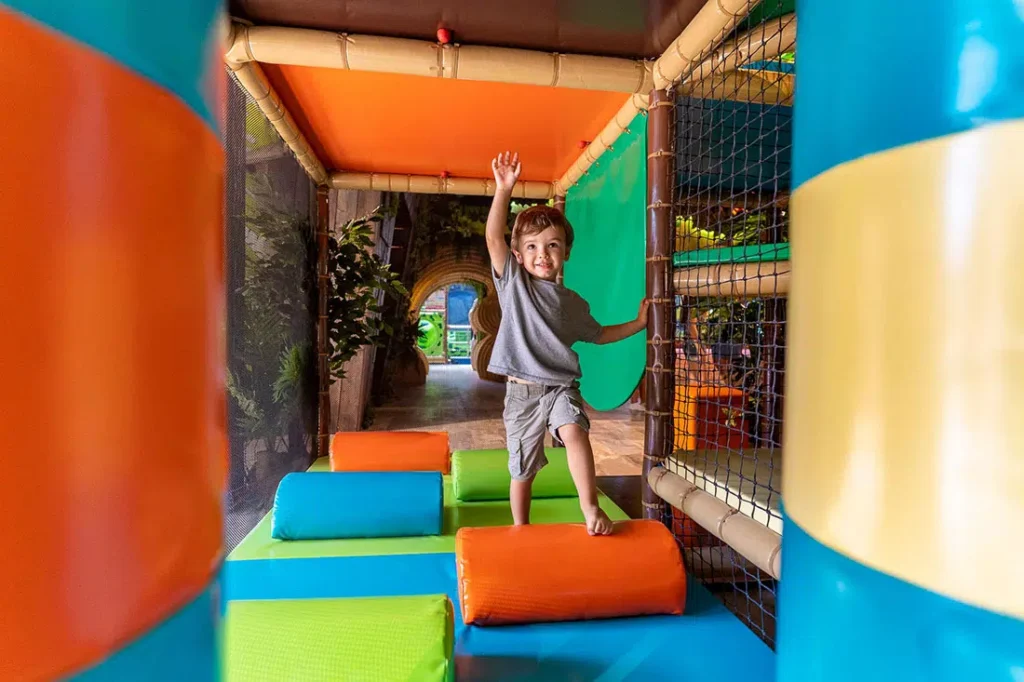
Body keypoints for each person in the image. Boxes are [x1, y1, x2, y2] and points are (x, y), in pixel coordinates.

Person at [485, 150, 649, 535]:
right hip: (522, 394)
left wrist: (639, 324)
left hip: (560, 387)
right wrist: (503, 190)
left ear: (566, 253)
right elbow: (494, 236)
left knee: (575, 431)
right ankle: (521, 527)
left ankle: (590, 509)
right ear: (518, 256)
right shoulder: (513, 285)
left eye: (553, 245)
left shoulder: (573, 304)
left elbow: (600, 334)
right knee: (522, 469)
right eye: (532, 247)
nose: (543, 254)